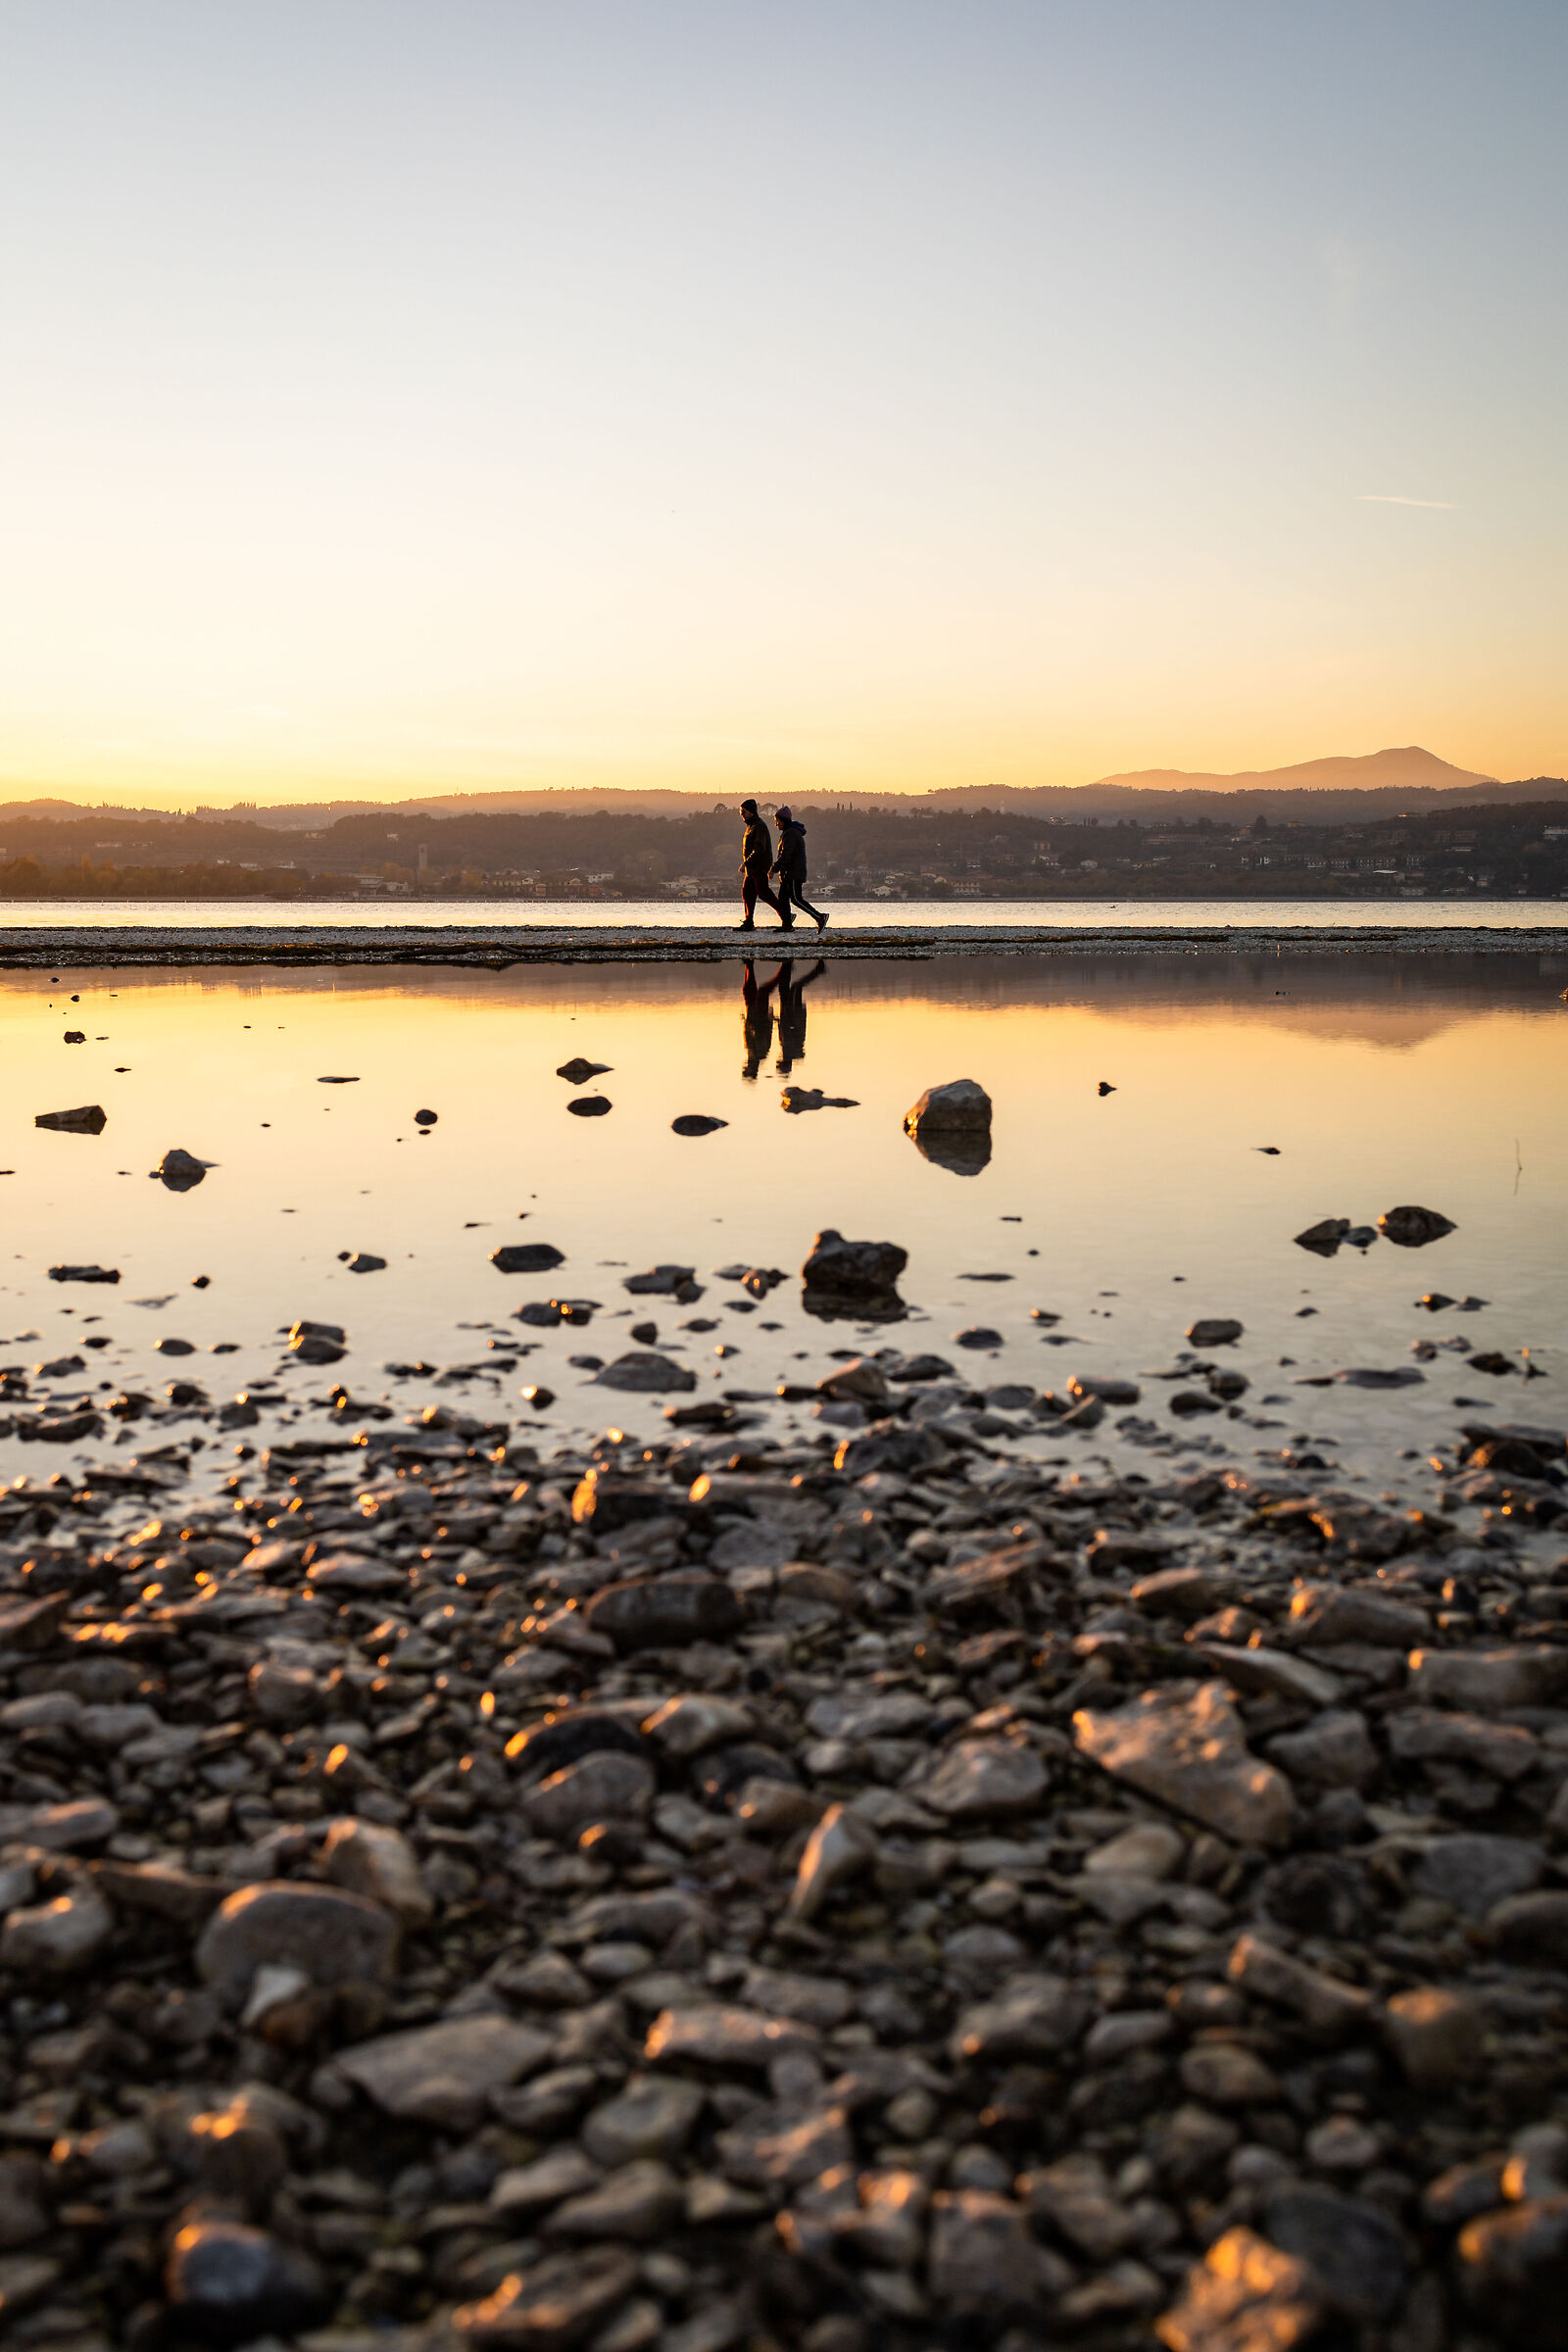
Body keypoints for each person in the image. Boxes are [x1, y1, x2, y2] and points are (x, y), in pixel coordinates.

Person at [771, 806, 828, 933]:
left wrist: (774, 869)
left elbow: (786, 855)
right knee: (783, 898)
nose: (776, 824)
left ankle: (820, 917)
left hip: (792, 873)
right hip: (789, 873)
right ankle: (787, 925)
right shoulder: (789, 832)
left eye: (777, 821)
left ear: (783, 821)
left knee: (796, 899)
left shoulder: (791, 834)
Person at [736, 799, 785, 931]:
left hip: (760, 866)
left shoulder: (759, 826)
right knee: (747, 893)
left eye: (743, 812)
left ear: (751, 812)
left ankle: (786, 916)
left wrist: (746, 863)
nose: (741, 814)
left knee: (763, 893)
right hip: (752, 868)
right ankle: (748, 922)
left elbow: (759, 849)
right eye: (740, 812)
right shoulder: (751, 826)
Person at [774, 956, 826, 1075]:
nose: (778, 1060)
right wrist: (780, 1019)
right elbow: (787, 1030)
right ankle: (818, 970)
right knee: (796, 987)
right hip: (793, 1012)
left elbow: (785, 1030)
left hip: (791, 1013)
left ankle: (787, 963)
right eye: (779, 1063)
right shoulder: (789, 1049)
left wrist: (777, 1020)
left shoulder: (790, 1050)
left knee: (784, 988)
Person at [739, 957, 778, 1078]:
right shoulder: (760, 1054)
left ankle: (749, 965)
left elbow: (748, 1035)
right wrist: (768, 1018)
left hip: (752, 1017)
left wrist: (745, 1021)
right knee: (762, 992)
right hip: (760, 1017)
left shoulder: (751, 1055)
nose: (745, 1066)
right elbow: (762, 1032)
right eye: (747, 1069)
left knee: (748, 991)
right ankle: (783, 970)